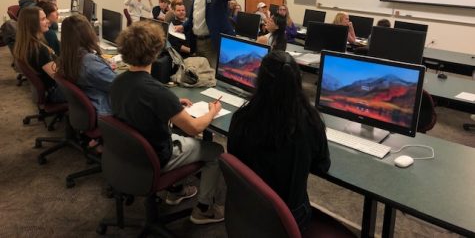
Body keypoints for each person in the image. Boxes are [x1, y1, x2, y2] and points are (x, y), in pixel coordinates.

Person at [110, 21, 225, 224]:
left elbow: (140, 105)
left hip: (130, 153)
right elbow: (196, 127)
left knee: (182, 135)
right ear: (156, 51)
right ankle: (204, 209)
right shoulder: (157, 92)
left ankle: (176, 190)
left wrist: (172, 105)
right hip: (156, 156)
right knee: (216, 152)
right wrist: (213, 111)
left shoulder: (118, 81)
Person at [227, 50, 330, 232]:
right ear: (298, 81)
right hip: (290, 218)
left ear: (260, 80)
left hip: (247, 209)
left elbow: (234, 157)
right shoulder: (310, 122)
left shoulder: (242, 118)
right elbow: (322, 166)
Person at [180, 0, 241, 69]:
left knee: (212, 77)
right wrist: (183, 26)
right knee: (199, 75)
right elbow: (195, 15)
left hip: (211, 43)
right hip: (197, 41)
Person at [56, 14, 116, 116]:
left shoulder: (68, 55)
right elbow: (120, 85)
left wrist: (103, 65)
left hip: (93, 102)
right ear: (87, 33)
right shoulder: (89, 63)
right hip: (106, 108)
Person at [13, 6, 64, 103]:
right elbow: (58, 76)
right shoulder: (38, 49)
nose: (48, 21)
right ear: (33, 24)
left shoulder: (29, 42)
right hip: (55, 91)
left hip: (50, 87)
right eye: (43, 19)